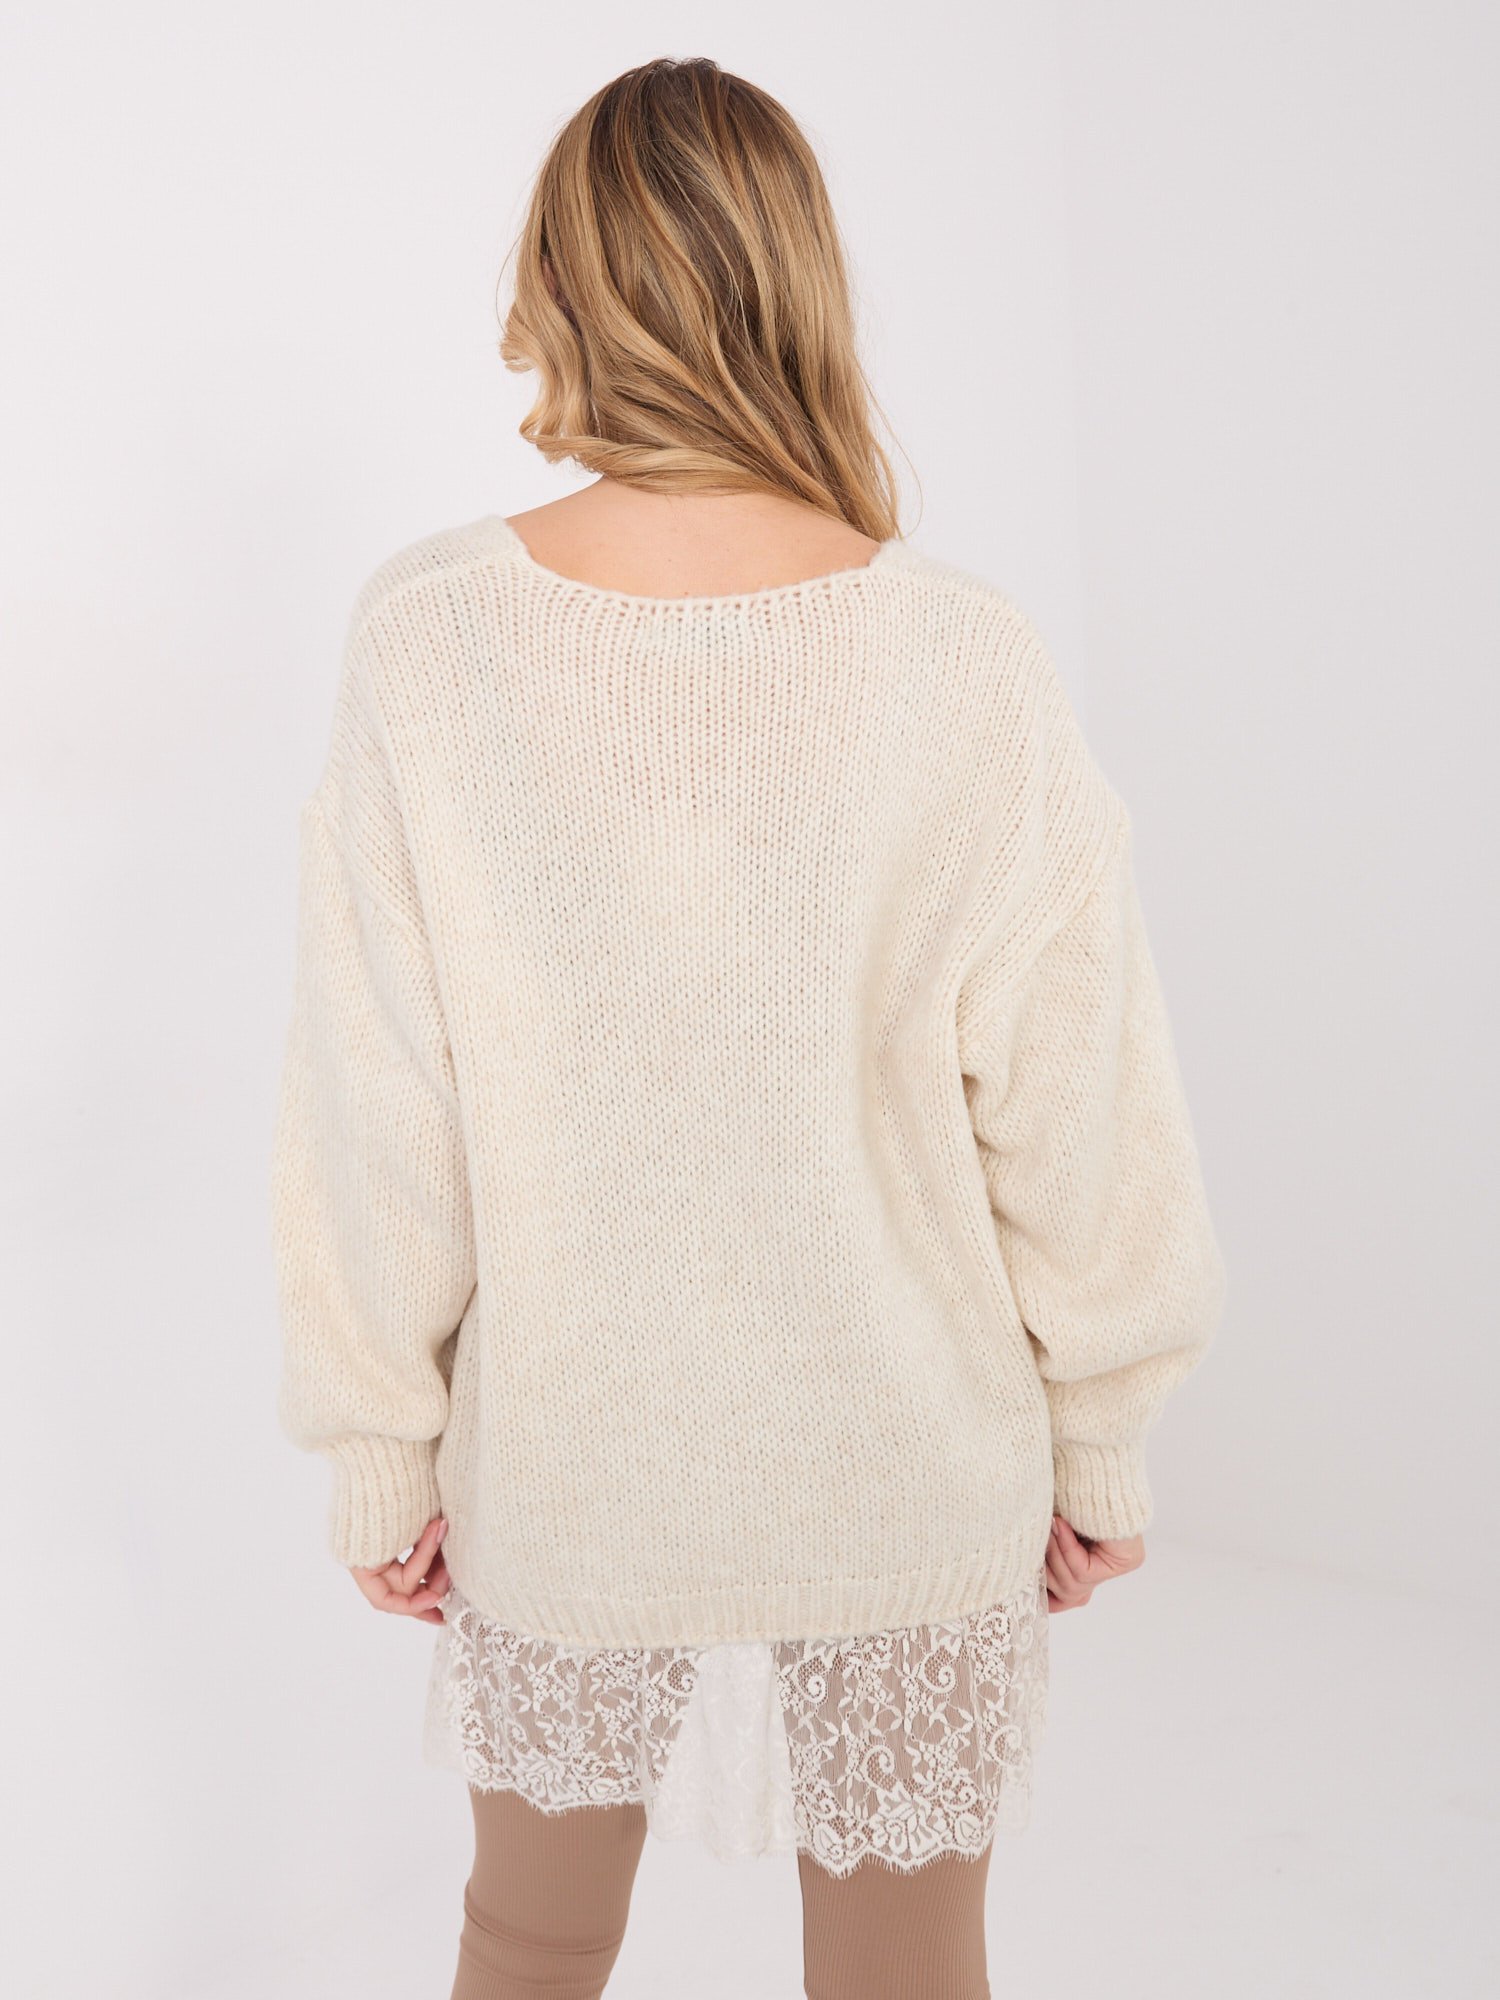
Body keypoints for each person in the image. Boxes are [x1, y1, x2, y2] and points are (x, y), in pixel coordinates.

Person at [269, 54, 1228, 2000]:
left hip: (575, 1457)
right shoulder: (961, 659)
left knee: (527, 1941)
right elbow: (1081, 1094)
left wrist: (382, 1443)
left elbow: (379, 1097)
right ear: (800, 280)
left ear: (559, 281)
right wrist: (1102, 1440)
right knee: (907, 1968)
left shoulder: (430, 641)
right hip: (908, 1449)